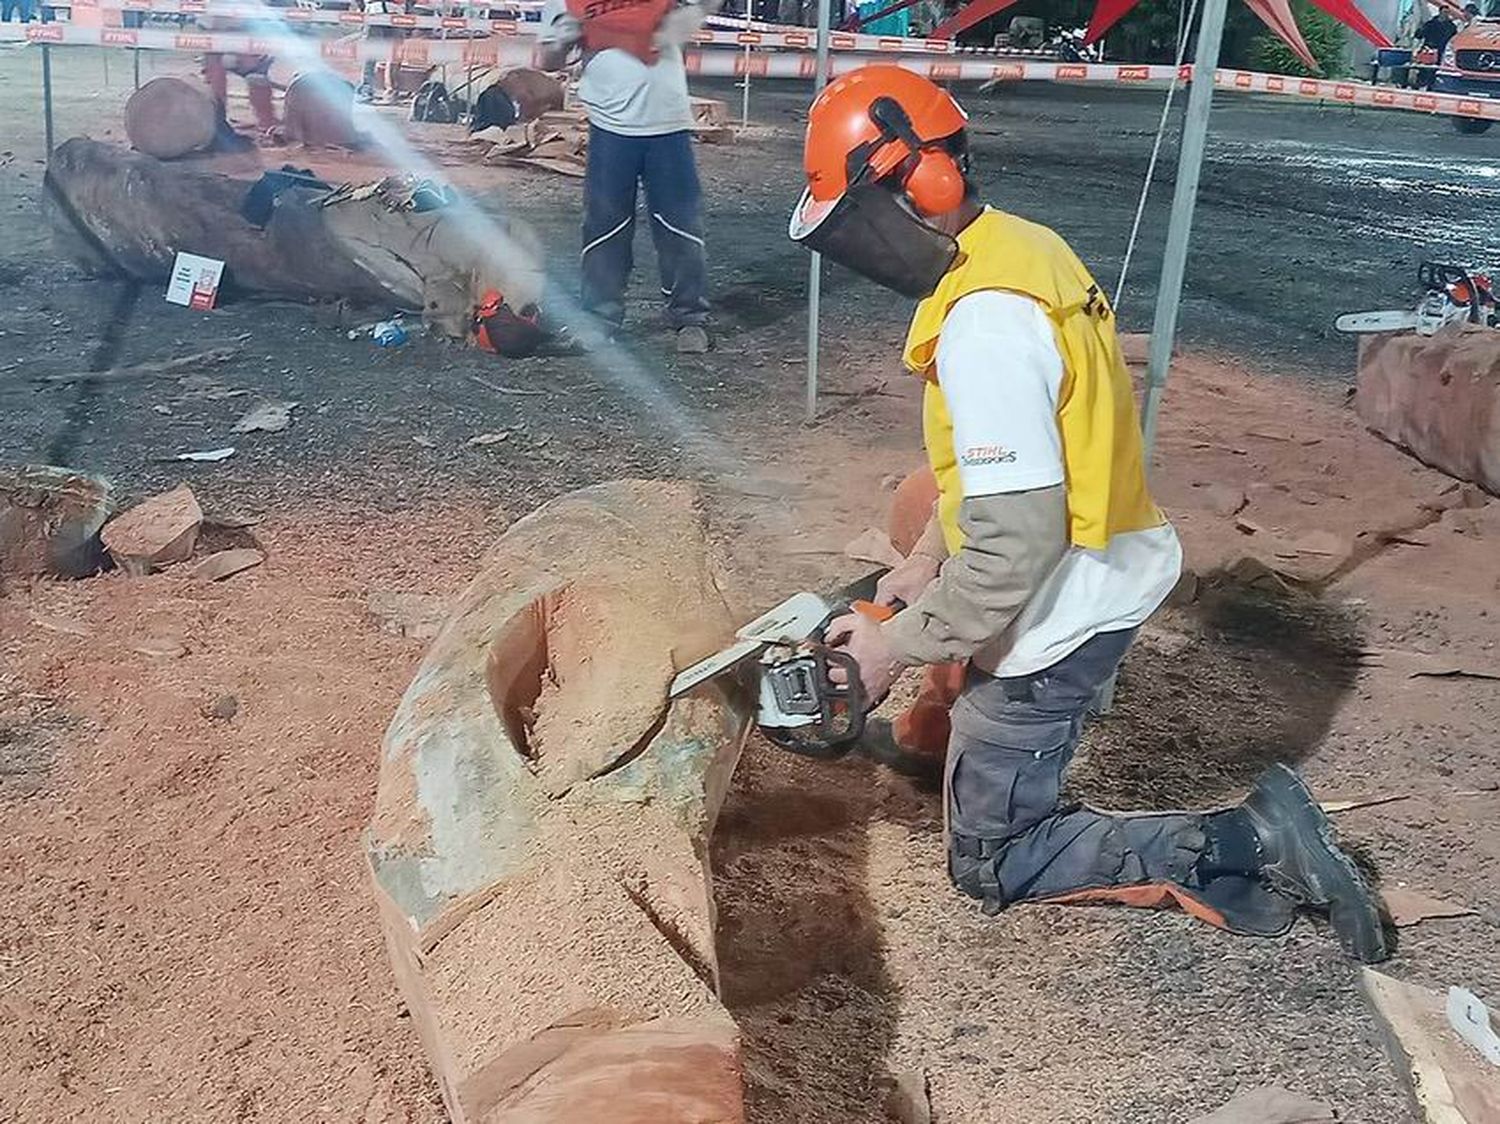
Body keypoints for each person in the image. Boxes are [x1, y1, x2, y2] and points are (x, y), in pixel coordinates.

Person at [788, 65, 1388, 963]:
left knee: (994, 861)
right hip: (1106, 550)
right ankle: (969, 748)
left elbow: (1013, 548)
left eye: (861, 214)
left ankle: (1252, 837)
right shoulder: (1016, 249)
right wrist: (917, 566)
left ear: (927, 178)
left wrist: (891, 644)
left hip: (1069, 600)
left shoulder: (987, 323)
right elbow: (1006, 470)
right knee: (951, 635)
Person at [537, 0, 713, 353]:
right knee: (605, 227)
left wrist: (682, 24)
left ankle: (689, 317)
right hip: (611, 126)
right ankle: (600, 317)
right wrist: (561, 41)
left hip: (668, 123)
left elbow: (699, 14)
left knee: (680, 226)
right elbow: (547, 61)